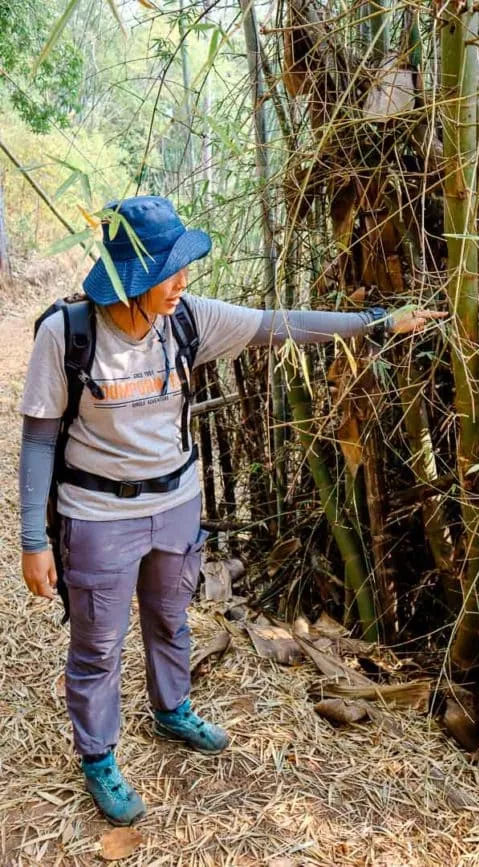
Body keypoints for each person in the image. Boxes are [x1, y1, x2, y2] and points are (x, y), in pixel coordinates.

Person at [19, 195, 444, 826]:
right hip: (97, 512)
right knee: (98, 644)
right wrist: (34, 539)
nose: (182, 281)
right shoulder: (68, 334)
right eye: (168, 270)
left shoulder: (188, 319)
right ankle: (99, 756)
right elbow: (39, 438)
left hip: (176, 504)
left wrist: (378, 322)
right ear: (129, 280)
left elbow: (283, 322)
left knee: (170, 617)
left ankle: (171, 709)